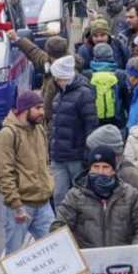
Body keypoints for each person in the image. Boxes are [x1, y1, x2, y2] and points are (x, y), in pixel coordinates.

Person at [0, 91, 53, 274]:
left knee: (55, 249)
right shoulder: (7, 135)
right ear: (26, 109)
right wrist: (16, 205)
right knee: (15, 256)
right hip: (21, 205)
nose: (42, 113)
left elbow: (44, 163)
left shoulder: (39, 129)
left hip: (42, 202)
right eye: (38, 109)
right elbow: (4, 173)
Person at [51, 145, 138, 248]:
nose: (100, 172)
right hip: (87, 259)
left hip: (122, 259)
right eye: (96, 167)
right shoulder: (75, 196)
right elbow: (59, 228)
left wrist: (133, 252)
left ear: (113, 170)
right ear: (89, 169)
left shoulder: (130, 195)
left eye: (105, 167)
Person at [48, 55, 98, 206]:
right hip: (59, 155)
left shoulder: (84, 94)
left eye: (57, 77)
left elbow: (91, 126)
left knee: (82, 196)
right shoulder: (59, 94)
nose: (55, 80)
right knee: (59, 196)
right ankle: (61, 228)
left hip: (76, 156)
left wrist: (87, 154)